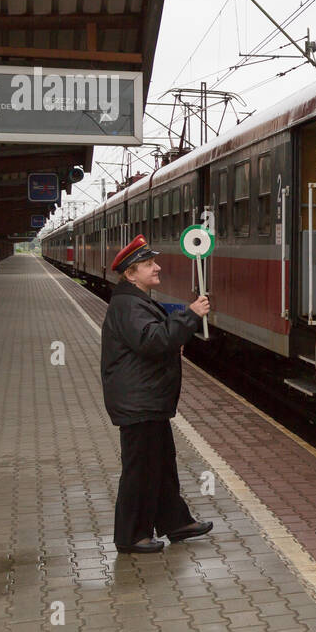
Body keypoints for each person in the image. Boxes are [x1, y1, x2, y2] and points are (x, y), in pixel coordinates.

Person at [101, 234, 213, 553]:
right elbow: (152, 341)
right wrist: (190, 315)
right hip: (139, 402)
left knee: (161, 463)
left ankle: (175, 521)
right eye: (149, 264)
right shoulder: (128, 304)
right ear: (130, 273)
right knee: (140, 469)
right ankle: (131, 536)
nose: (157, 267)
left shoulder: (135, 301)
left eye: (153, 262)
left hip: (147, 400)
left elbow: (152, 342)